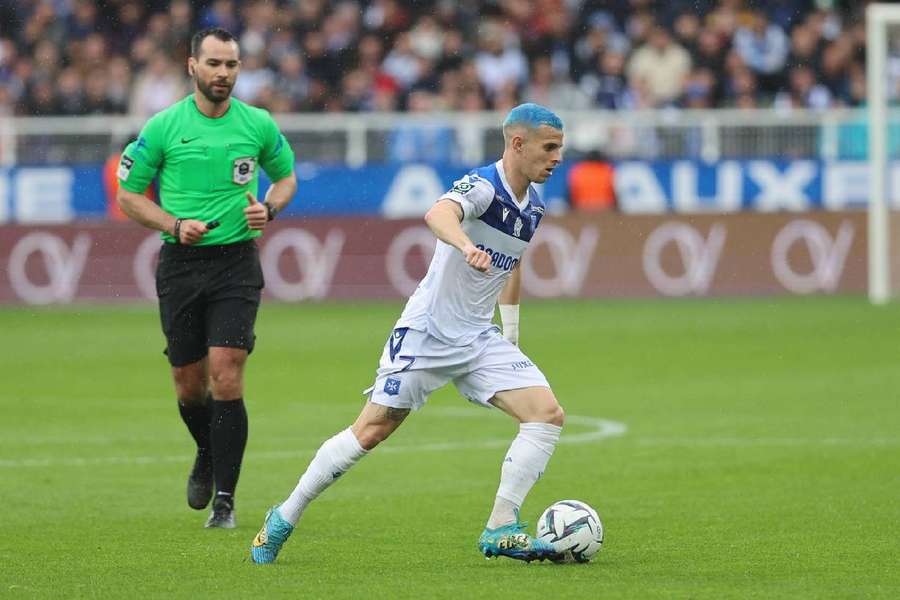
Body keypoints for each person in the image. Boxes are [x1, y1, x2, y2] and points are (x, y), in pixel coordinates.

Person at [250, 103, 565, 564]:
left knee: (546, 415)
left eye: (560, 147)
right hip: (428, 335)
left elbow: (510, 262)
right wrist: (465, 244)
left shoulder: (533, 206)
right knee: (372, 430)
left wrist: (511, 332)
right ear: (517, 144)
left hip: (478, 339)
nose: (557, 157)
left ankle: (501, 526)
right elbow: (438, 214)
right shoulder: (482, 186)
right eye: (549, 147)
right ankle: (283, 516)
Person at [115, 28, 297, 528]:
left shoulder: (257, 124)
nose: (223, 74)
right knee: (188, 386)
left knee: (227, 372)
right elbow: (129, 195)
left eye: (231, 65)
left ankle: (226, 501)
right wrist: (173, 224)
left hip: (237, 261)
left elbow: (285, 177)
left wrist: (271, 208)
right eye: (214, 64)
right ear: (193, 66)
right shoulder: (165, 126)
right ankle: (206, 451)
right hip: (181, 264)